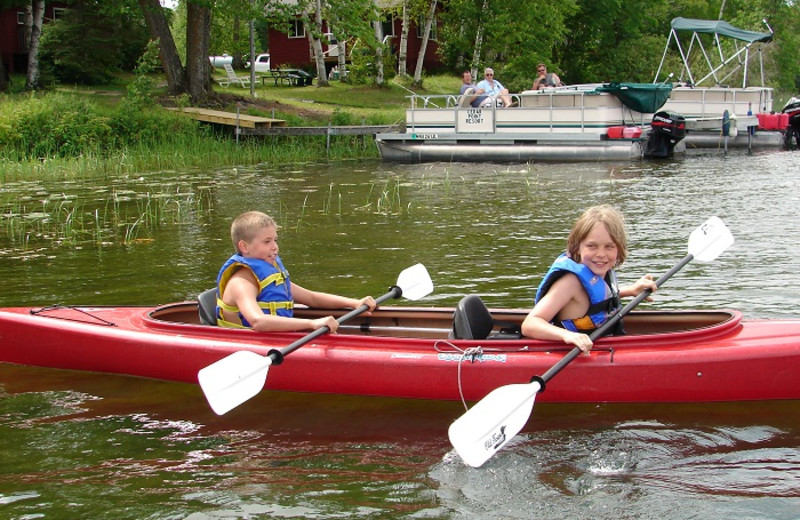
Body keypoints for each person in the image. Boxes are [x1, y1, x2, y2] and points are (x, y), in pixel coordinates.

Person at [521, 205, 657, 353]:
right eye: (592, 246)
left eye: (609, 247)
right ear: (577, 247)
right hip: (573, 356)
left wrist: (630, 290)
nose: (601, 254)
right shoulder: (570, 283)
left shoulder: (600, 273)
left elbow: (597, 301)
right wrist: (567, 335)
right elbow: (530, 324)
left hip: (607, 347)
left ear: (619, 248)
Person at [215, 211, 377, 332]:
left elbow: (311, 298)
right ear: (244, 246)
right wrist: (312, 324)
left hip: (279, 337)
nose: (275, 247)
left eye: (275, 240)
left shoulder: (268, 274)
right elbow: (258, 321)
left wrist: (353, 303)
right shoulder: (240, 282)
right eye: (267, 241)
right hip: (250, 343)